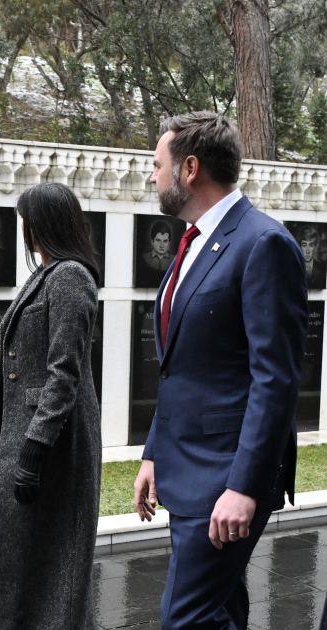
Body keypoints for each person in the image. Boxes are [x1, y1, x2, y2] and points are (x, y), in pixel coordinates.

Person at [133, 112, 308, 630]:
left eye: (157, 164)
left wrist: (244, 487)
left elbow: (274, 379)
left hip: (224, 475)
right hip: (184, 467)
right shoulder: (190, 243)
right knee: (219, 611)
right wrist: (153, 453)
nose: (152, 176)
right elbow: (184, 369)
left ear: (190, 169)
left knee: (185, 618)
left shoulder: (262, 243)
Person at [0, 182, 101, 630]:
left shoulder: (70, 277)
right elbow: (22, 370)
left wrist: (32, 450)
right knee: (14, 562)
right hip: (24, 440)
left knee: (48, 570)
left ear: (41, 224)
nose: (21, 228)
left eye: (25, 218)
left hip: (52, 452)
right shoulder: (45, 275)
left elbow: (63, 373)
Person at [297, 224, 326, 288]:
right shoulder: (294, 269)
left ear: (315, 247)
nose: (307, 251)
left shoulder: (322, 269)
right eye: (304, 245)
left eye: (311, 245)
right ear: (300, 247)